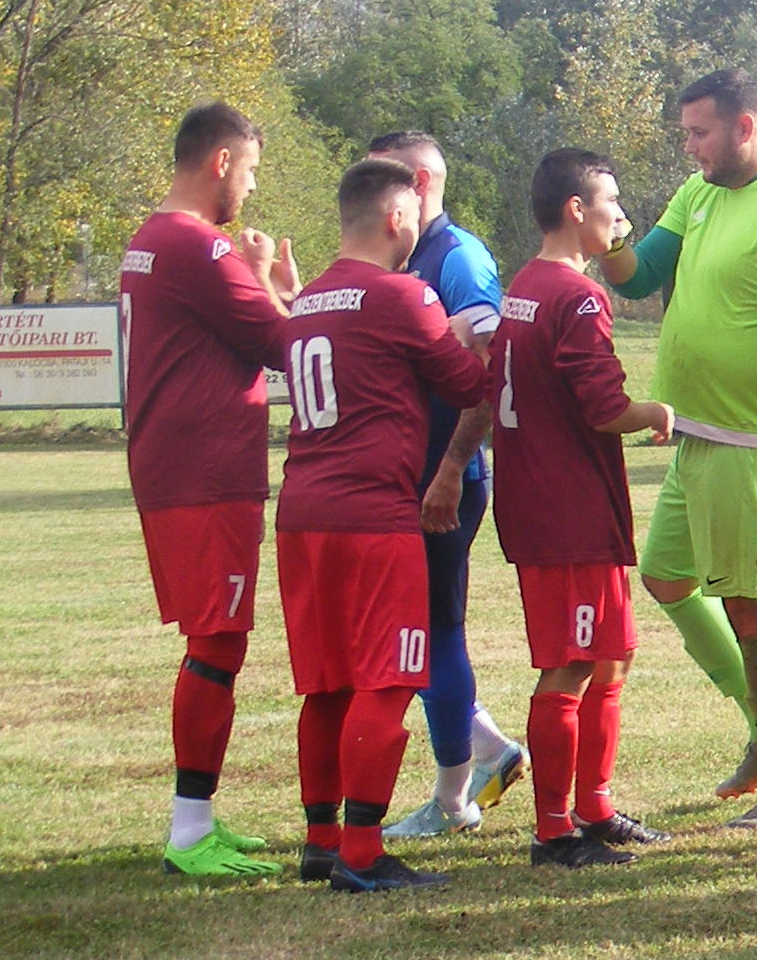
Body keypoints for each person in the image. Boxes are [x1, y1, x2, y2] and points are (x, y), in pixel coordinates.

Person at [277, 159, 500, 892]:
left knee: (326, 684)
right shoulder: (402, 294)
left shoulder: (307, 299)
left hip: (303, 513)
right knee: (386, 679)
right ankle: (363, 854)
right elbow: (469, 383)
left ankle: (320, 840)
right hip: (374, 515)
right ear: (398, 219)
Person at [602, 69, 757, 826]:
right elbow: (636, 277)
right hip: (691, 429)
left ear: (745, 127)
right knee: (664, 578)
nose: (689, 147)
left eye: (700, 133)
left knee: (755, 609)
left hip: (749, 437)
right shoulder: (698, 194)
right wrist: (612, 227)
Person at [119, 103, 297, 877]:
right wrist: (267, 281)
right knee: (217, 641)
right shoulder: (198, 245)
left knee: (216, 639)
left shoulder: (150, 239)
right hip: (203, 471)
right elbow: (288, 344)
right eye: (251, 170)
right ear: (221, 162)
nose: (251, 190)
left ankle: (198, 819)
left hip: (178, 464)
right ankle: (189, 830)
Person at [491, 149, 677, 868]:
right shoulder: (578, 295)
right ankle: (553, 829)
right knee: (571, 664)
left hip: (552, 500)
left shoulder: (526, 286)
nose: (621, 216)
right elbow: (602, 408)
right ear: (576, 209)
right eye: (612, 200)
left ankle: (594, 808)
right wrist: (656, 409)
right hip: (564, 507)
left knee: (610, 655)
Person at [368, 132, 526, 841]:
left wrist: (448, 471)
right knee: (421, 633)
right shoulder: (411, 258)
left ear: (422, 182)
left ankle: (454, 795)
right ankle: (488, 750)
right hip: (415, 473)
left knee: (435, 634)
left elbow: (490, 369)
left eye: (388, 181)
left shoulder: (457, 255)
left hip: (445, 477)